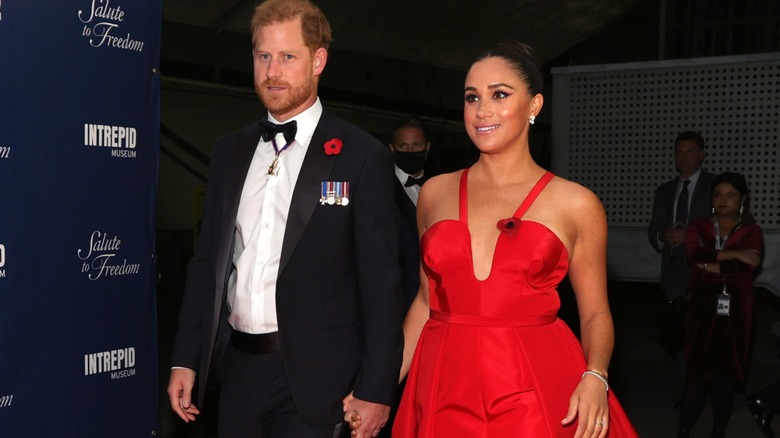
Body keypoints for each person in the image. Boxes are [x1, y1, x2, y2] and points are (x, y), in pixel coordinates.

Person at [347, 40, 637, 437]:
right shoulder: (435, 193)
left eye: (499, 94)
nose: (482, 111)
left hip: (534, 388)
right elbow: (424, 300)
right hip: (443, 385)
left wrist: (596, 376)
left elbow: (595, 314)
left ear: (534, 106)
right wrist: (376, 386)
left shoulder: (575, 203)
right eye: (472, 97)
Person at [166, 1, 404, 436]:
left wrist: (377, 387)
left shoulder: (361, 156)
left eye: (288, 57)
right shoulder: (229, 151)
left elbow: (382, 283)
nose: (273, 71)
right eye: (263, 57)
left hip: (323, 382)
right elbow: (207, 266)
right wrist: (185, 358)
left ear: (318, 60)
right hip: (238, 372)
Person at [677, 171, 764, 437]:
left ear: (743, 200)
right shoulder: (699, 226)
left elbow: (750, 265)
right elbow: (694, 255)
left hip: (737, 305)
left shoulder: (752, 230)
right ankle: (683, 429)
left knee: (727, 369)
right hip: (701, 303)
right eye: (718, 194)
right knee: (697, 369)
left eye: (730, 195)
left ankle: (719, 428)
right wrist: (736, 254)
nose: (723, 200)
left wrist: (710, 263)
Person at [648, 131, 717, 302]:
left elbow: (726, 225)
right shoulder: (665, 190)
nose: (683, 157)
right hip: (672, 268)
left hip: (705, 267)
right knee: (674, 324)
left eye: (689, 152)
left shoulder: (715, 186)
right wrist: (663, 235)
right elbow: (653, 229)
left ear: (701, 155)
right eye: (679, 152)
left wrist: (692, 235)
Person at [390, 116, 430, 309]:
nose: (410, 151)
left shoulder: (444, 185)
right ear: (392, 148)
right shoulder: (380, 187)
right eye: (403, 146)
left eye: (416, 144)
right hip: (398, 298)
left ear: (427, 146)